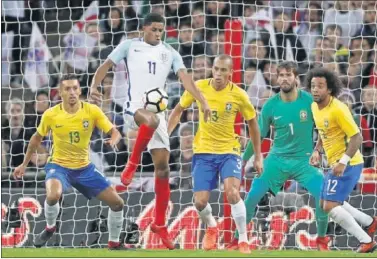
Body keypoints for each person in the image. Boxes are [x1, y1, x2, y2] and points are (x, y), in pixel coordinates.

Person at [89, 13, 210, 249]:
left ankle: (160, 224)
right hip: (134, 109)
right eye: (154, 29)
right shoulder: (129, 46)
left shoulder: (170, 53)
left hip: (158, 115)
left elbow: (186, 79)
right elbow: (105, 66)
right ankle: (132, 164)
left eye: (161, 30)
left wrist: (202, 101)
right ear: (144, 28)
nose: (158, 34)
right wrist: (94, 85)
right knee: (152, 119)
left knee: (163, 170)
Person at [13, 74, 127, 250]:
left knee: (118, 203)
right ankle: (50, 227)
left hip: (84, 168)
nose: (72, 92)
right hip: (58, 166)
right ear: (60, 93)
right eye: (67, 89)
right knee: (53, 195)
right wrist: (24, 164)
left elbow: (115, 131)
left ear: (80, 90)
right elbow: (35, 139)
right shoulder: (51, 114)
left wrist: (113, 138)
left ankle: (113, 243)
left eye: (75, 88)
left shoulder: (92, 111)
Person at [227, 61, 330, 251]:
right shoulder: (270, 106)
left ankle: (322, 239)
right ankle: (236, 239)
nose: (284, 78)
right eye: (281, 75)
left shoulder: (310, 102)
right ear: (277, 78)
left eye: (288, 75)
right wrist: (242, 160)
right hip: (277, 160)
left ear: (296, 79)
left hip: (303, 160)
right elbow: (257, 137)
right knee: (252, 196)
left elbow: (326, 128)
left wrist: (318, 149)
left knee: (323, 196)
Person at [167, 54, 263, 254]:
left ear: (230, 72)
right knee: (200, 201)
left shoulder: (239, 95)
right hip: (203, 152)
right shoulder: (198, 87)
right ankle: (212, 226)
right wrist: (165, 136)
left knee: (232, 192)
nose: (219, 74)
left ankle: (243, 240)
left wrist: (258, 155)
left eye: (223, 70)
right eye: (216, 69)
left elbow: (253, 124)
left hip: (229, 151)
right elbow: (177, 111)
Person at [308, 67, 377, 253]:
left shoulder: (339, 109)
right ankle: (369, 222)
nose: (315, 89)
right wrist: (317, 150)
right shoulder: (315, 107)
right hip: (334, 162)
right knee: (325, 202)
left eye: (320, 86)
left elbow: (357, 138)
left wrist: (343, 162)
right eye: (313, 86)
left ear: (329, 89)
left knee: (330, 206)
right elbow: (324, 131)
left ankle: (366, 240)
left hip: (350, 163)